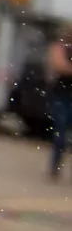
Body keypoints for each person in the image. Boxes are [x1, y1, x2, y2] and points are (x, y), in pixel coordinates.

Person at [48, 24, 72, 179]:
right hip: (62, 94)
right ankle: (55, 166)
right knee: (60, 133)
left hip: (66, 94)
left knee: (63, 133)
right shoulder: (61, 47)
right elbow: (59, 65)